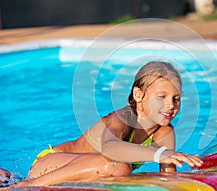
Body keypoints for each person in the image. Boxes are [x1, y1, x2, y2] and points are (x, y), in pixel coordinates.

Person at [9, 61, 203, 187]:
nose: (170, 105)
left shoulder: (165, 132)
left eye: (176, 98)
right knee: (117, 165)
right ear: (138, 95)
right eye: (162, 97)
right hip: (52, 166)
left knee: (119, 168)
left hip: (95, 174)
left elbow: (167, 178)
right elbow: (111, 148)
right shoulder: (122, 118)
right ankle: (22, 187)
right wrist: (160, 154)